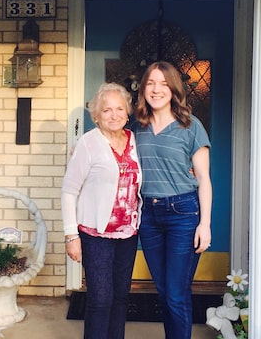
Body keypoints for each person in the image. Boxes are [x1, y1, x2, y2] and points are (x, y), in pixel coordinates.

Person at [132, 61, 212, 339]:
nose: (156, 90)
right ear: (143, 89)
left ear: (174, 89)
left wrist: (205, 225)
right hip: (149, 217)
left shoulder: (191, 126)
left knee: (176, 294)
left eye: (164, 84)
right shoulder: (137, 127)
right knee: (165, 292)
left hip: (183, 214)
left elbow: (203, 179)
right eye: (151, 83)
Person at [62, 82, 143, 339]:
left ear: (128, 112)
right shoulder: (88, 143)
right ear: (97, 114)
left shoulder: (134, 141)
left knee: (120, 297)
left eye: (119, 109)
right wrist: (71, 236)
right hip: (95, 235)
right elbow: (69, 191)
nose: (114, 115)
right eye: (107, 110)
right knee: (100, 298)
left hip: (128, 235)